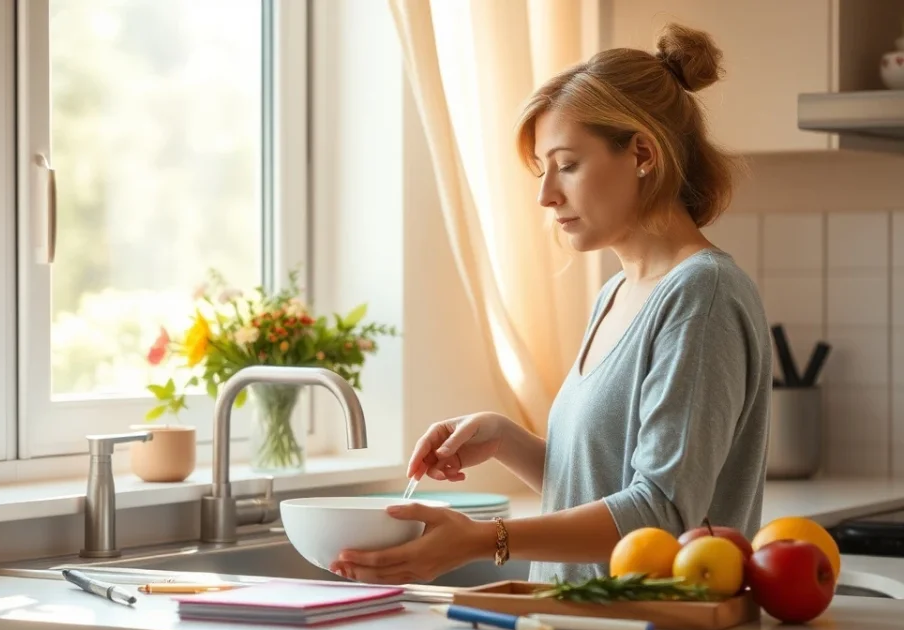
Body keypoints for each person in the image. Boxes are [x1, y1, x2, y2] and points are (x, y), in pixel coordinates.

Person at [331, 22, 773, 585]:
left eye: (567, 164)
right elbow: (604, 490)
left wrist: (482, 541)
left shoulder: (701, 294)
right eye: (543, 170)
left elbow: (662, 514)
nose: (546, 195)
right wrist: (505, 440)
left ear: (642, 152)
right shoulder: (616, 294)